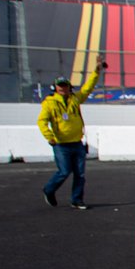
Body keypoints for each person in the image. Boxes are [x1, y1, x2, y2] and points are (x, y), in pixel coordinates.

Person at [38, 55, 105, 209]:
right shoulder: (49, 103)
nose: (63, 88)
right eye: (60, 86)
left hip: (77, 143)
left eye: (65, 86)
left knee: (80, 174)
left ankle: (76, 199)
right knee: (64, 172)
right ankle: (49, 190)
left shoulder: (75, 99)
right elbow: (42, 121)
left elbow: (88, 87)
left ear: (69, 87)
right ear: (55, 88)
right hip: (61, 144)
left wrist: (97, 71)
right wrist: (49, 136)